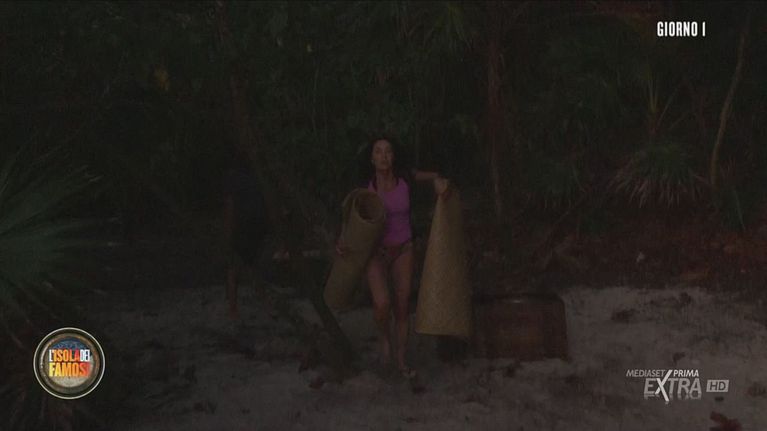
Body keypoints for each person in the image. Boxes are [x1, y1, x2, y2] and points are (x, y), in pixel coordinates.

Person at [336, 136, 450, 379]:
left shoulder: (404, 179)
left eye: (388, 151)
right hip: (375, 252)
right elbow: (349, 216)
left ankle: (400, 359)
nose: (384, 156)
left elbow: (426, 176)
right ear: (372, 158)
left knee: (402, 305)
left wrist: (438, 179)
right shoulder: (365, 188)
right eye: (378, 152)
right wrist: (342, 240)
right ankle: (384, 338)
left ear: (393, 156)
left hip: (403, 249)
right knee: (382, 304)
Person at [222, 151, 269, 320]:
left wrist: (227, 234)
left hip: (243, 225)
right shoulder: (256, 177)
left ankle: (233, 309)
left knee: (233, 268)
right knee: (255, 265)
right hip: (259, 224)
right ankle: (264, 302)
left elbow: (230, 207)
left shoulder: (233, 179)